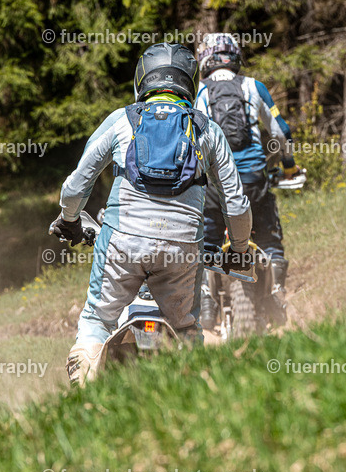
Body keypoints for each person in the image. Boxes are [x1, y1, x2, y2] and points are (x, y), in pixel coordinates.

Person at [51, 42, 253, 386]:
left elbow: (75, 186)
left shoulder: (121, 120)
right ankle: (195, 394)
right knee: (187, 329)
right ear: (189, 82)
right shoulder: (207, 129)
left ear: (141, 80)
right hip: (183, 250)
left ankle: (83, 394)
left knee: (97, 320)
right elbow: (235, 203)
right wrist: (241, 249)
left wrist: (69, 218)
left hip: (121, 244)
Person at [193, 33, 302, 328]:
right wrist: (289, 168)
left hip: (216, 187)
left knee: (207, 244)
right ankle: (276, 294)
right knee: (269, 240)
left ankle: (204, 301)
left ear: (207, 59)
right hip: (254, 181)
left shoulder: (200, 94)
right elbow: (281, 133)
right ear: (235, 57)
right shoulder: (255, 87)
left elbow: (193, 142)